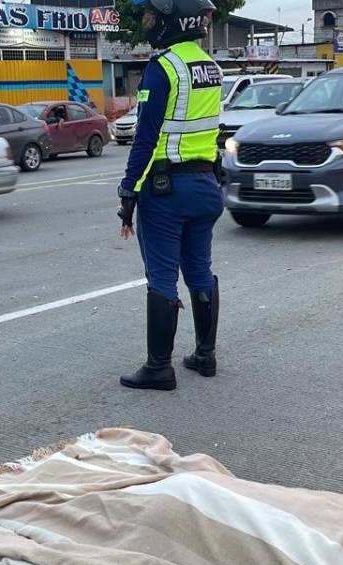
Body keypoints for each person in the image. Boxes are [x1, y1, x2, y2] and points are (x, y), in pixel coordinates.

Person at [117, 0, 223, 391]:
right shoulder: (210, 67)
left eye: (151, 17)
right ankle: (205, 355)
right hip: (204, 185)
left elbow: (146, 138)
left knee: (162, 276)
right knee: (199, 269)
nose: (147, 23)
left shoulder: (163, 68)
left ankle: (159, 367)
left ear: (169, 22)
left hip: (167, 191)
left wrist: (129, 191)